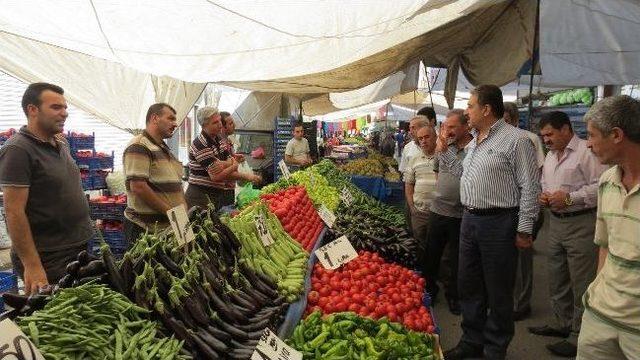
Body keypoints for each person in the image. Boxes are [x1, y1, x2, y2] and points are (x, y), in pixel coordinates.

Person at [444, 85, 540, 360]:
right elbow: (463, 172)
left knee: (498, 288)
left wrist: (524, 228)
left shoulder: (516, 140)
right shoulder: (475, 141)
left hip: (499, 221)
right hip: (470, 219)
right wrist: (444, 152)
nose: (466, 111)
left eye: (470, 106)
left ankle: (495, 347)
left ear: (486, 109)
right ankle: (471, 339)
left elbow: (530, 186)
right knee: (469, 283)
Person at [526, 111, 608, 356]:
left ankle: (579, 333)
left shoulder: (586, 151)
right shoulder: (550, 157)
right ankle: (562, 323)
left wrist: (571, 198)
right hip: (556, 223)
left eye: (550, 134)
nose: (546, 140)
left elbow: (601, 186)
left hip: (581, 223)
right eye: (543, 136)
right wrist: (543, 195)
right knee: (557, 275)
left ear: (565, 129)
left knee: (582, 281)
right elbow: (545, 184)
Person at [0, 83, 93, 294]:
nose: (65, 113)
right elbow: (14, 212)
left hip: (79, 245)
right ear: (33, 110)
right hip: (49, 255)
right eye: (56, 107)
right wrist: (32, 265)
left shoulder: (61, 143)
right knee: (59, 319)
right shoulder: (17, 150)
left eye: (65, 107)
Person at [576, 96, 640, 359]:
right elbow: (605, 245)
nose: (588, 144)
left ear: (616, 135)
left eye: (591, 135)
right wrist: (596, 291)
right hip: (599, 317)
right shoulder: (606, 182)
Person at [425, 109, 473, 315]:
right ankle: (430, 290)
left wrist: (445, 151)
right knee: (431, 256)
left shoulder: (474, 149)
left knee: (456, 260)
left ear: (466, 126)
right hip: (438, 210)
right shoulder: (443, 147)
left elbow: (465, 174)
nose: (447, 130)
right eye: (445, 126)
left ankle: (453, 296)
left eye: (452, 127)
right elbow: (438, 172)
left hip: (460, 214)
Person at [503, 101, 545, 322]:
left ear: (515, 119)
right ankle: (505, 299)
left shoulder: (529, 139)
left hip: (523, 207)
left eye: (507, 121)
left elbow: (534, 177)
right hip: (502, 209)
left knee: (522, 258)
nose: (503, 125)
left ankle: (521, 303)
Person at [123, 103, 186, 243]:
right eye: (171, 118)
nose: (175, 124)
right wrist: (173, 214)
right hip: (145, 230)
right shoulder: (139, 145)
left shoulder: (162, 147)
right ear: (155, 118)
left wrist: (182, 217)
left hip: (170, 226)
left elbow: (175, 184)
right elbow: (138, 187)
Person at [185, 107, 260, 210]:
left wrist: (226, 164)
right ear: (204, 125)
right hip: (200, 197)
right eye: (215, 122)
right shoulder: (200, 144)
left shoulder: (219, 140)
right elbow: (216, 176)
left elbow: (229, 162)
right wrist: (234, 165)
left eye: (219, 120)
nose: (220, 124)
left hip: (215, 194)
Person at [403, 125, 437, 272]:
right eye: (420, 138)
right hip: (420, 212)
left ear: (435, 137)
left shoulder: (443, 157)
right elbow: (409, 185)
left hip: (439, 213)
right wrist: (412, 207)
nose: (423, 141)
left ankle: (437, 278)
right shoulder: (415, 159)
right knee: (420, 245)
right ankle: (424, 277)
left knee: (438, 247)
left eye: (427, 137)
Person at [400, 116, 430, 235]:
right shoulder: (408, 148)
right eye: (410, 128)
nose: (410, 131)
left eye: (413, 128)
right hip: (413, 195)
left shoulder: (438, 146)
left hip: (431, 202)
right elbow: (403, 172)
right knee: (414, 229)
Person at [219, 111, 261, 187]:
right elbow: (223, 172)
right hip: (222, 188)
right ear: (222, 127)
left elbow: (227, 162)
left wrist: (235, 158)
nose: (234, 125)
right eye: (231, 124)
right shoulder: (219, 145)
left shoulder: (228, 141)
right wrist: (247, 177)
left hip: (229, 187)